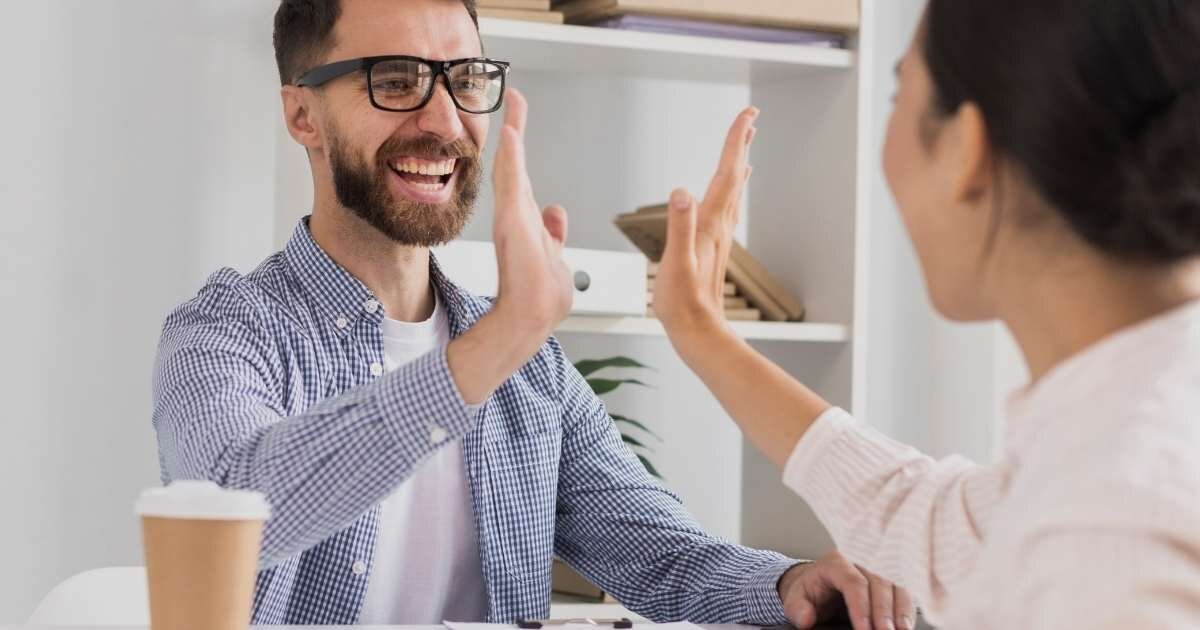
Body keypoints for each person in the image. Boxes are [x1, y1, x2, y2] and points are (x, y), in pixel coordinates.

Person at [151, 0, 914, 627]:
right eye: (395, 79)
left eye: (466, 79)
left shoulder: (532, 371)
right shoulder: (226, 332)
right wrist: (498, 343)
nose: (444, 122)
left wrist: (787, 585)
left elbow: (660, 555)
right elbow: (236, 514)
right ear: (302, 115)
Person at [650, 1, 1200, 628]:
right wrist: (700, 331)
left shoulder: (1113, 517)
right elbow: (933, 524)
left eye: (896, 95)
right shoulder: (1122, 432)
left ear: (966, 148)